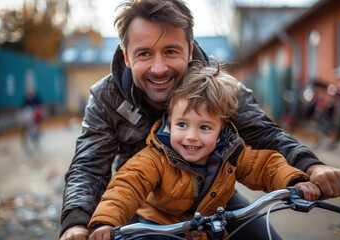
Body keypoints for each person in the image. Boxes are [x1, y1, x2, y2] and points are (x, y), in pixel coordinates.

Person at [59, 1, 340, 240]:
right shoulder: (106, 96)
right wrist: (77, 223)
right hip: (146, 204)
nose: (159, 68)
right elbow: (89, 165)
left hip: (214, 195)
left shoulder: (219, 88)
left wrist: (310, 167)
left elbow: (263, 134)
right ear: (127, 57)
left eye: (171, 51)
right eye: (144, 54)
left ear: (189, 48)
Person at [87, 63, 322, 240]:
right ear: (169, 121)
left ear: (221, 130)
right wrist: (105, 222)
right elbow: (126, 186)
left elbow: (264, 166)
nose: (191, 136)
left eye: (205, 127)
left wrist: (295, 180)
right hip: (159, 227)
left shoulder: (231, 151)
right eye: (182, 125)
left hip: (208, 224)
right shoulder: (154, 158)